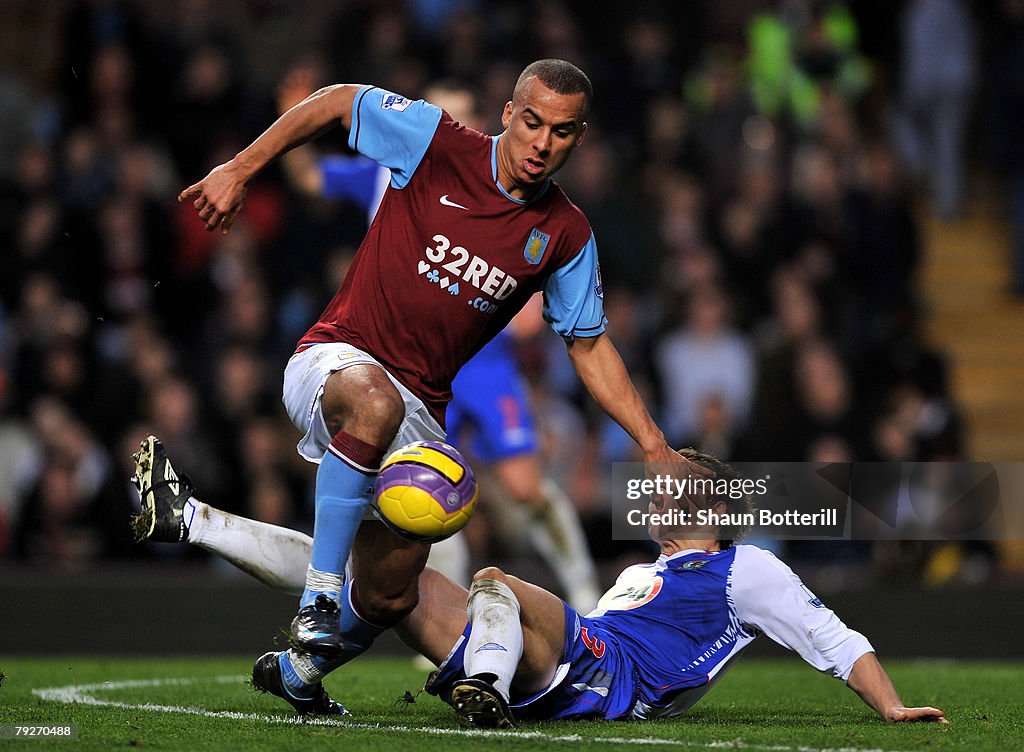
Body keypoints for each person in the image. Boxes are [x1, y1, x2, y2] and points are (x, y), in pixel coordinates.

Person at [155, 58, 696, 714]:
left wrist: (651, 440)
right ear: (507, 114)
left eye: (561, 131)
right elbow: (336, 100)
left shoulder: (565, 234)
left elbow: (587, 343)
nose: (541, 143)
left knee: (389, 592)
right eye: (531, 123)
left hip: (420, 414)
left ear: (578, 139)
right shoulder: (437, 144)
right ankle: (319, 599)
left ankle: (299, 672)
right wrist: (241, 167)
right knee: (375, 405)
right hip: (336, 357)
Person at [132, 443, 946, 726]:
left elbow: (833, 638)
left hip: (604, 674)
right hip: (565, 669)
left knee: (494, 577)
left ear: (709, 501)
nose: (655, 490)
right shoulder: (646, 572)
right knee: (377, 576)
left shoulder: (746, 568)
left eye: (672, 481)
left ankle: (480, 683)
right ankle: (192, 520)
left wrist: (890, 706)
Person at [274, 69, 600, 610]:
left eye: (459, 109)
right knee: (419, 492)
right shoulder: (393, 168)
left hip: (483, 361)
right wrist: (288, 114)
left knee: (521, 486)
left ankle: (584, 589)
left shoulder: (522, 196)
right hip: (389, 355)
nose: (451, 119)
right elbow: (309, 178)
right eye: (440, 107)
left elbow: (536, 293)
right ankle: (426, 608)